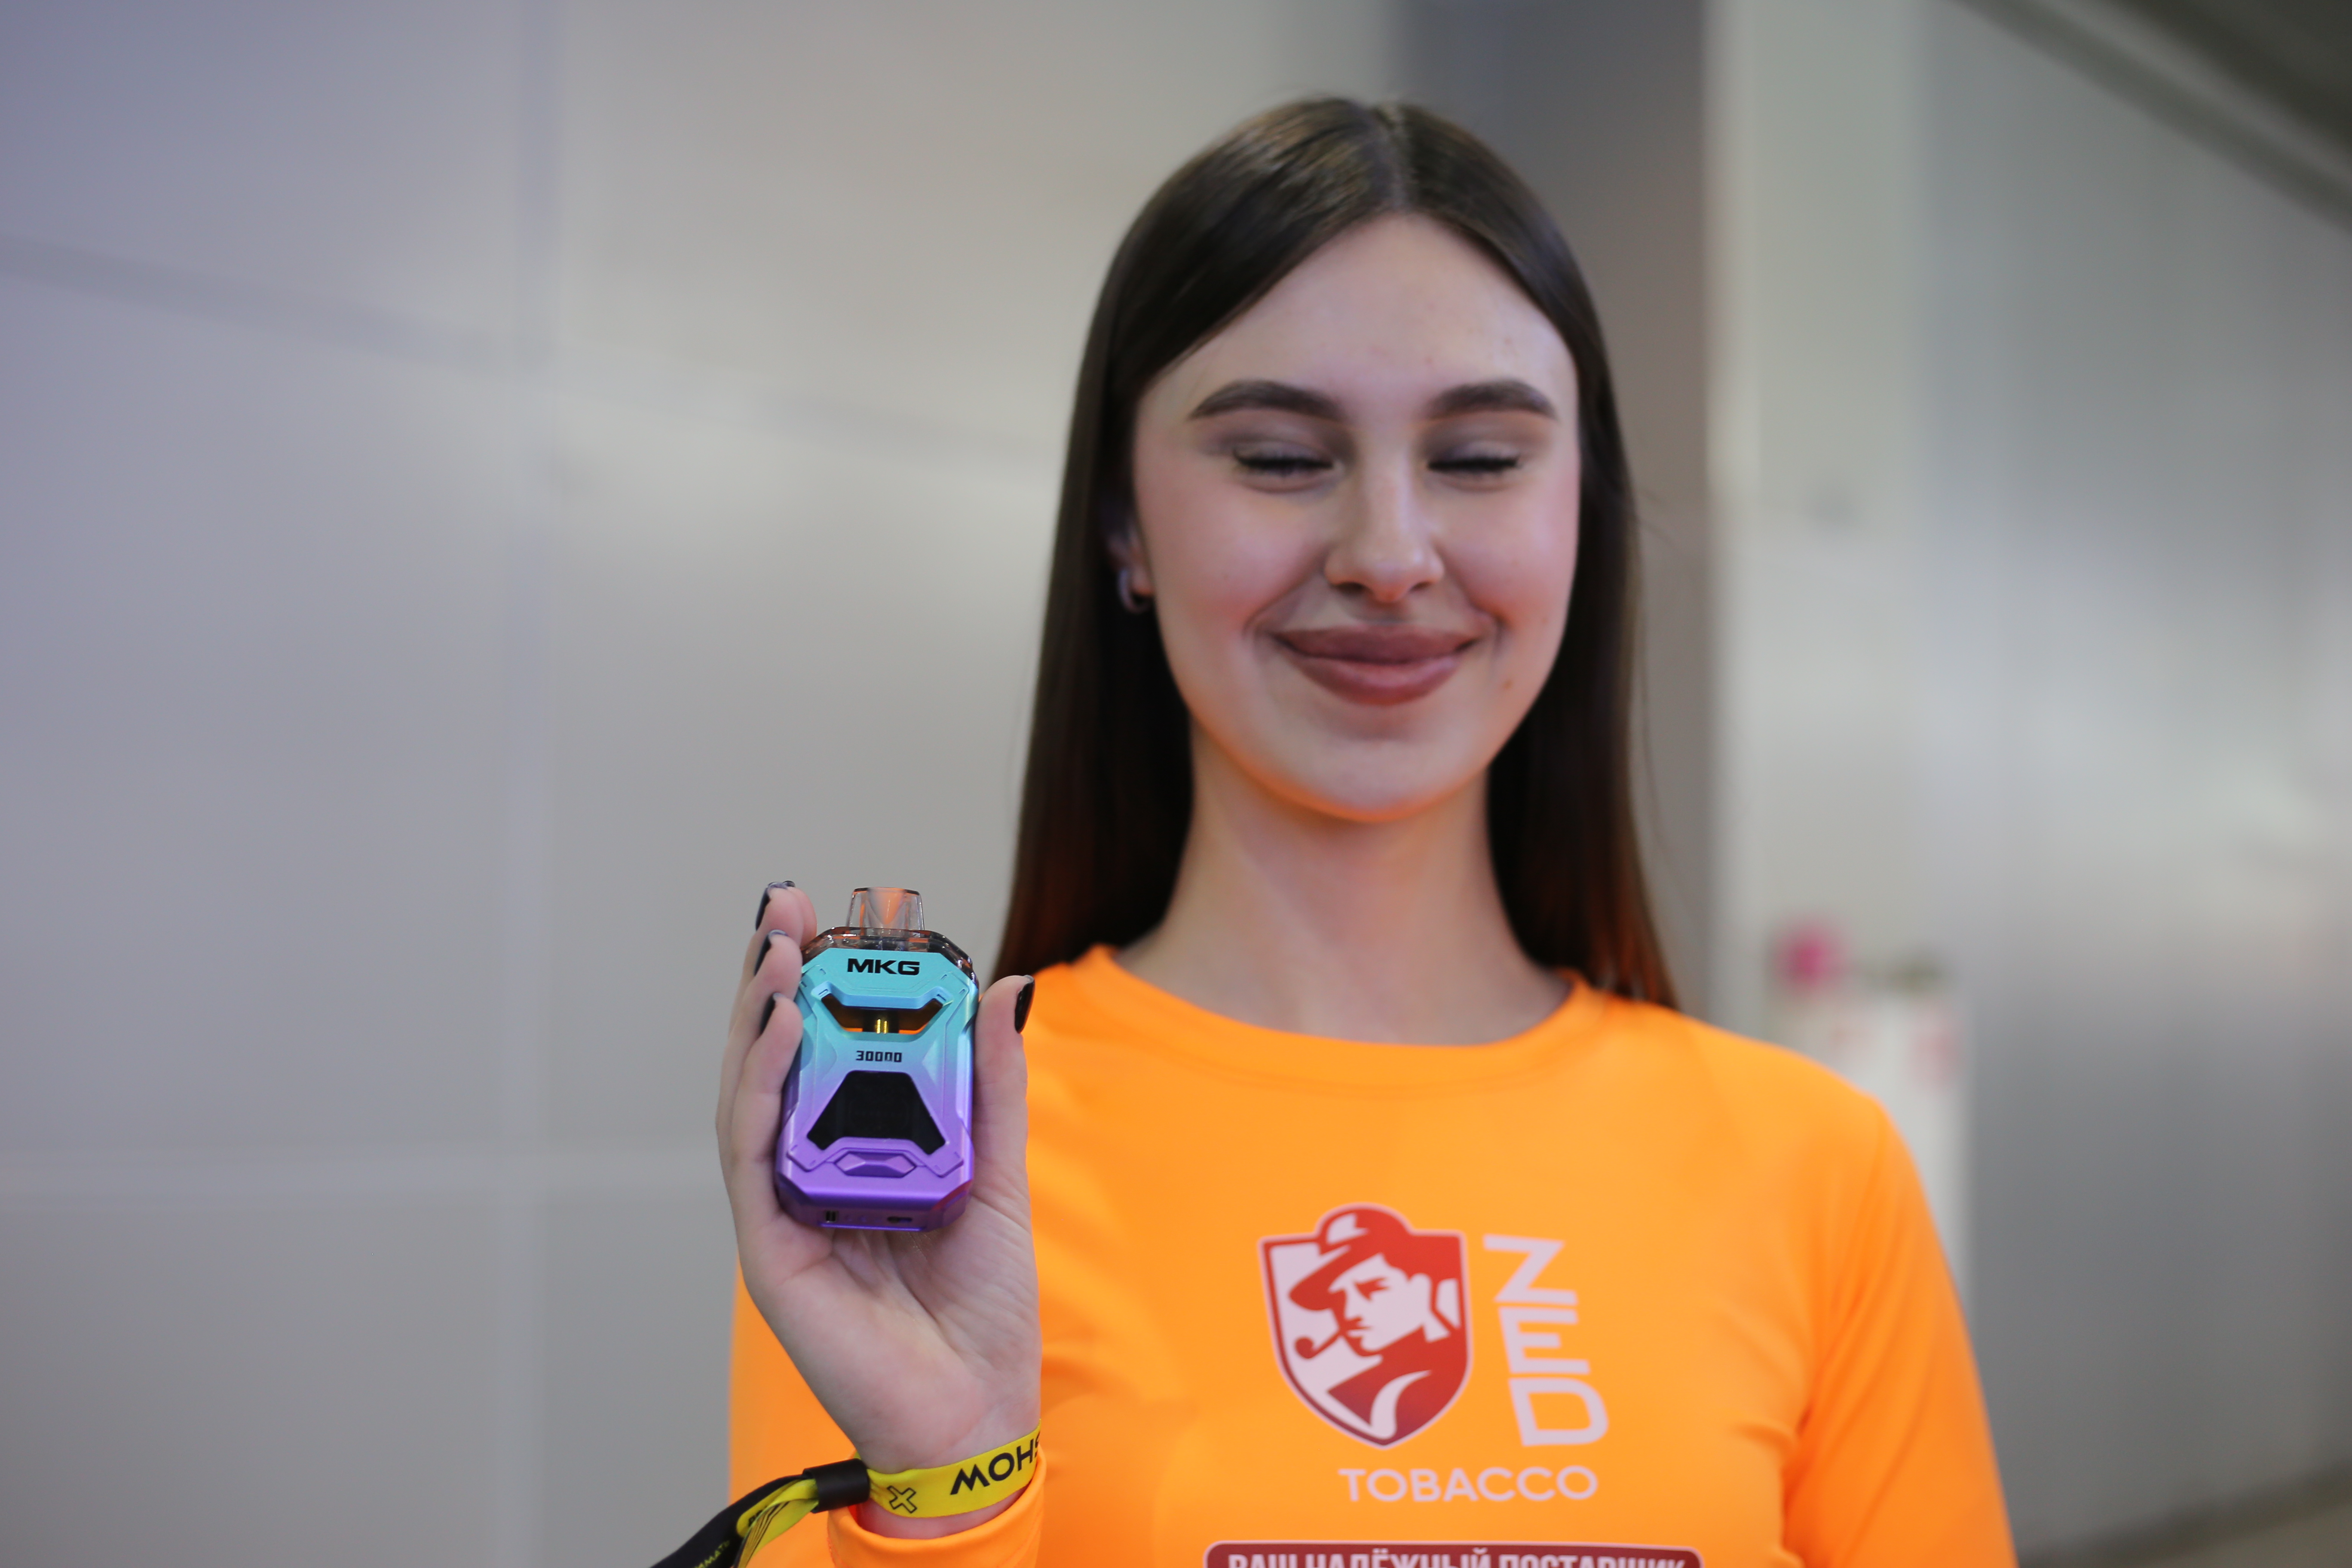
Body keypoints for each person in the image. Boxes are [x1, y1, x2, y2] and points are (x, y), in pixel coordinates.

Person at [717, 98, 2012, 1566]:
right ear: (1125, 527)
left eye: (1482, 460)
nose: (1390, 555)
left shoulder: (1816, 1168)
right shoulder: (930, 1173)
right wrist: (945, 1490)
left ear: (1579, 519)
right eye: (1280, 458)